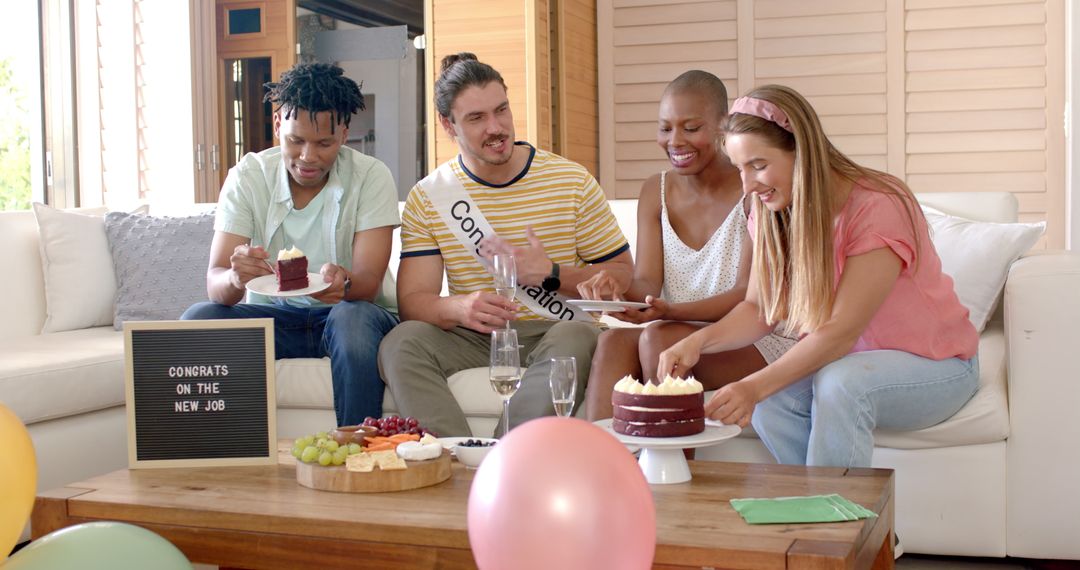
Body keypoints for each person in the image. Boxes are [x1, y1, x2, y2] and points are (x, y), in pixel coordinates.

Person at [657, 84, 980, 468]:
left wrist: (753, 386)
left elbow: (841, 331)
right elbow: (759, 308)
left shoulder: (879, 205)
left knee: (840, 384)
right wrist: (699, 342)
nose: (748, 185)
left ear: (803, 151)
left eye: (758, 165)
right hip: (845, 365)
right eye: (740, 169)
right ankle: (836, 515)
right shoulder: (770, 209)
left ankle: (834, 523)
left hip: (938, 367)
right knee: (773, 405)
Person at [378, 53, 633, 438]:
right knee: (401, 342)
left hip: (555, 327)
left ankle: (507, 455)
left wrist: (550, 274)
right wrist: (460, 307)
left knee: (577, 336)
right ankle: (455, 453)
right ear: (448, 125)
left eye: (501, 110)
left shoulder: (571, 181)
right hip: (476, 335)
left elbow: (622, 276)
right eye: (476, 118)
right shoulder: (429, 197)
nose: (496, 128)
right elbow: (413, 301)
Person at [182, 63, 400, 427]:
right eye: (296, 140)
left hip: (349, 317)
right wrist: (236, 278)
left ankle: (357, 448)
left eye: (324, 143)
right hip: (276, 321)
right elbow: (215, 281)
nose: (308, 157)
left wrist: (342, 282)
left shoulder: (371, 177)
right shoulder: (248, 177)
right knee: (198, 318)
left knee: (352, 317)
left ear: (344, 134)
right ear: (278, 122)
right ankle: (230, 452)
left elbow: (368, 282)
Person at [578, 71, 797, 421]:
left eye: (691, 128)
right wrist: (615, 289)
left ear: (723, 128)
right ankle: (604, 468)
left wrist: (669, 313)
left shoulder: (755, 190)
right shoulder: (655, 191)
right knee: (613, 342)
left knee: (658, 339)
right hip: (675, 329)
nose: (675, 141)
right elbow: (647, 284)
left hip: (753, 336)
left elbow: (747, 297)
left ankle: (676, 467)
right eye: (666, 128)